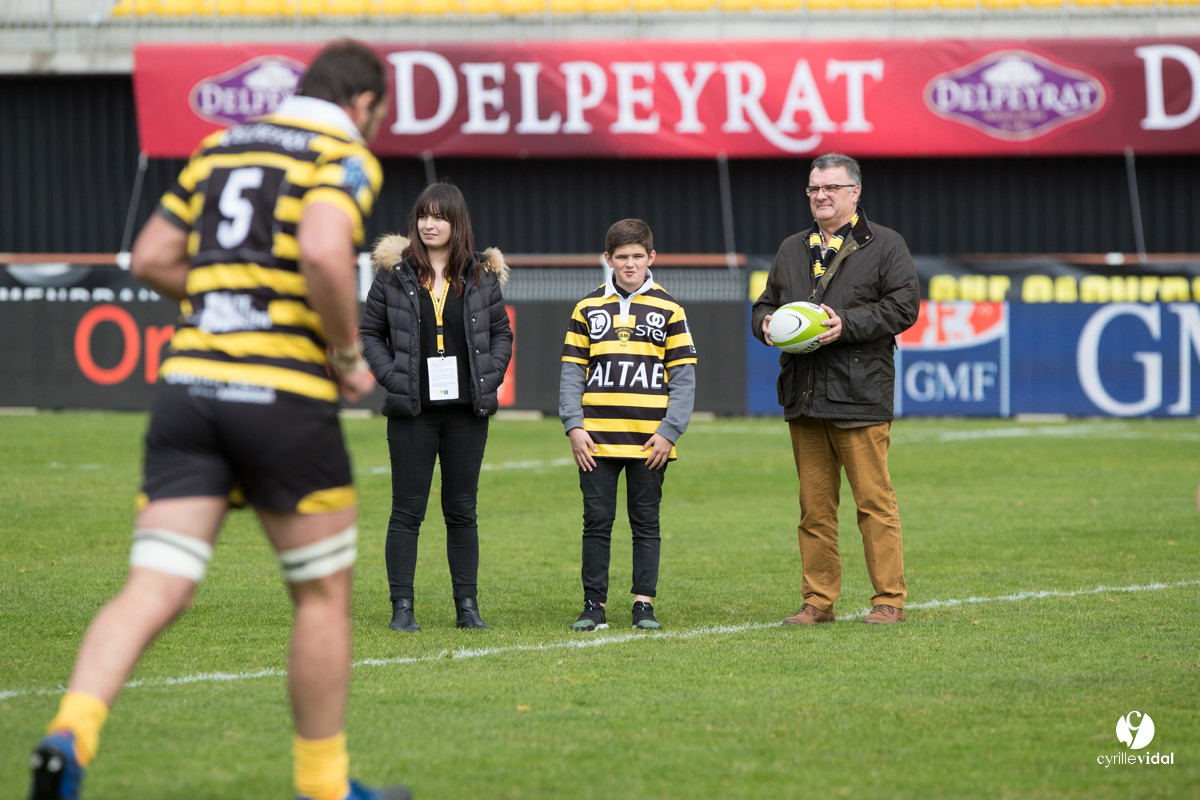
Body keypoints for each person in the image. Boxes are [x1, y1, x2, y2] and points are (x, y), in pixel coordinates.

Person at [28, 40, 410, 800]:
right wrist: (343, 357)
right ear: (363, 105)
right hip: (282, 396)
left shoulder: (221, 145)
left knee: (155, 585)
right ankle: (325, 786)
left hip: (191, 387)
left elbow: (150, 257)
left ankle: (70, 733)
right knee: (322, 595)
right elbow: (327, 253)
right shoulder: (343, 152)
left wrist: (220, 306)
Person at [752, 153, 920, 627]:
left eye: (830, 188)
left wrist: (846, 325)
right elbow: (765, 303)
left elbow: (904, 308)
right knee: (814, 510)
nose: (820, 196)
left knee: (874, 503)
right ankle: (818, 602)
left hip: (861, 394)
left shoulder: (885, 244)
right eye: (813, 189)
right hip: (804, 395)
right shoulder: (791, 247)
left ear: (854, 193)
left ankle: (889, 599)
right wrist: (765, 322)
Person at [359, 181, 513, 633]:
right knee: (407, 511)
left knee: (462, 510)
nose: (429, 223)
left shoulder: (481, 275)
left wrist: (492, 374)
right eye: (424, 215)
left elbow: (502, 333)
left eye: (439, 216)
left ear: (455, 222)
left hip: (467, 413)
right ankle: (401, 608)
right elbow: (370, 334)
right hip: (413, 413)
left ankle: (467, 607)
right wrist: (392, 377)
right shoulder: (394, 273)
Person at [559, 218, 698, 632]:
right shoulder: (586, 308)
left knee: (646, 522)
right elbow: (571, 374)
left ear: (651, 258)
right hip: (596, 440)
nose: (631, 264)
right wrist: (574, 426)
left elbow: (684, 377)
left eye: (638, 256)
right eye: (622, 257)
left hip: (649, 441)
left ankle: (643, 603)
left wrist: (669, 431)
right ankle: (593, 604)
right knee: (596, 522)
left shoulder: (670, 308)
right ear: (609, 259)